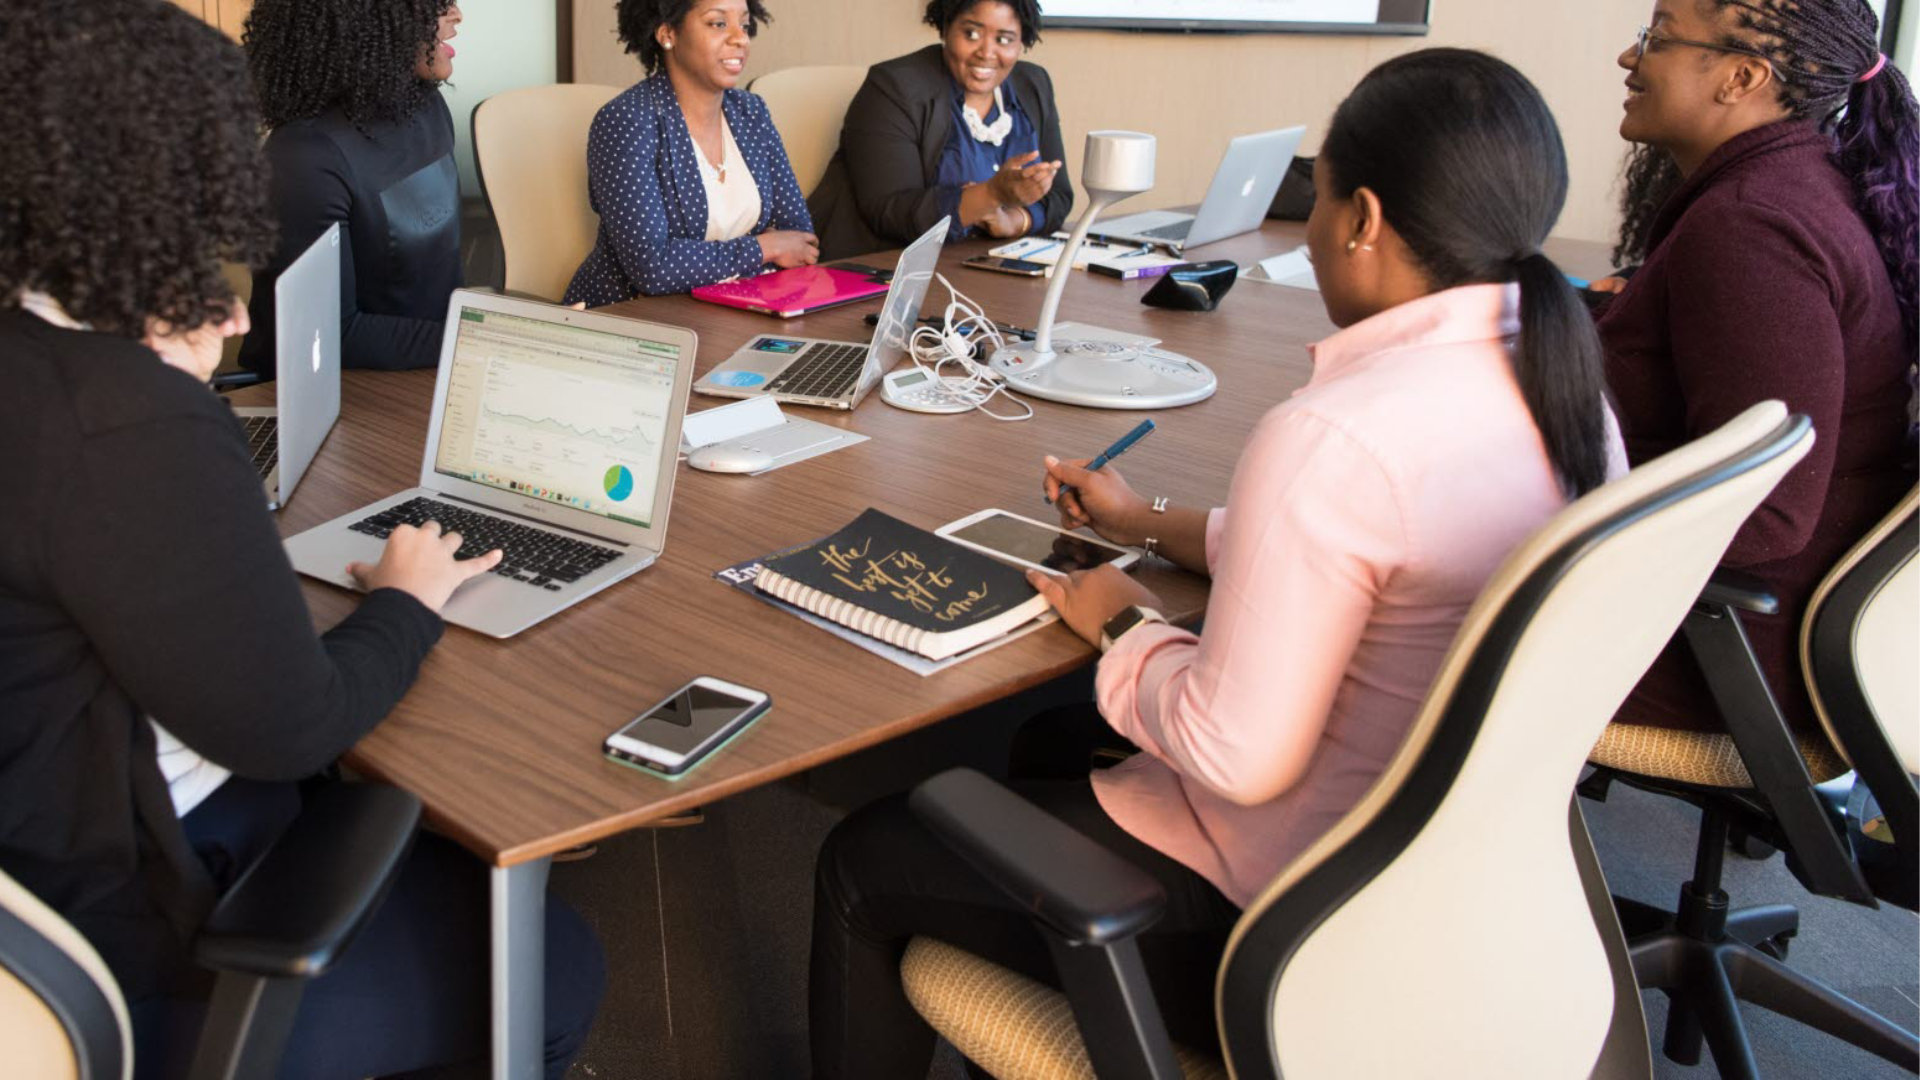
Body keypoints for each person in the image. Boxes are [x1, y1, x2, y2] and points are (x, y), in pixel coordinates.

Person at [808, 48, 1625, 1078]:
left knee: (860, 859)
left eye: (1322, 200)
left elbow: (1236, 753)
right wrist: (1145, 520)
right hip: (1452, 900)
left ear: (1363, 220)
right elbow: (1364, 555)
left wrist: (1122, 619)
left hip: (1284, 938)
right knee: (1051, 739)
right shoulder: (1565, 392)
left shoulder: (1335, 435)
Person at [0, 3, 603, 1077]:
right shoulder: (118, 422)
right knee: (556, 967)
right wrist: (407, 600)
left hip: (42, 872)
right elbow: (293, 728)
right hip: (144, 941)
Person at [1598, 0, 1916, 740]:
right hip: (1768, 623)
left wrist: (1546, 531)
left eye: (1656, 38)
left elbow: (1767, 509)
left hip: (1729, 652)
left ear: (1741, 76)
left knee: (1392, 605)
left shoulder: (1749, 226)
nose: (1629, 58)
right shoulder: (1797, 183)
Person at [239, 0, 466, 374]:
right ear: (370, 18)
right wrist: (478, 342)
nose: (457, 15)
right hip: (333, 389)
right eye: (435, 5)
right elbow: (331, 335)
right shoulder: (305, 158)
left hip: (427, 368)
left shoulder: (425, 106)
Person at [563, 0, 817, 304]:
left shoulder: (751, 112)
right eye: (718, 23)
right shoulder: (627, 121)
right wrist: (765, 248)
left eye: (745, 25)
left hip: (737, 310)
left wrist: (694, 262)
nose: (740, 38)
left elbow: (801, 241)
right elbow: (653, 267)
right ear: (668, 33)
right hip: (635, 322)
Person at [808, 0, 1071, 261]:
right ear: (946, 28)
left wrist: (1015, 220)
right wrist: (991, 195)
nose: (987, 52)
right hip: (879, 270)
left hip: (983, 265)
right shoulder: (893, 87)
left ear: (1021, 42)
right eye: (972, 34)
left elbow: (1059, 197)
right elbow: (889, 212)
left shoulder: (1033, 84)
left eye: (1004, 39)